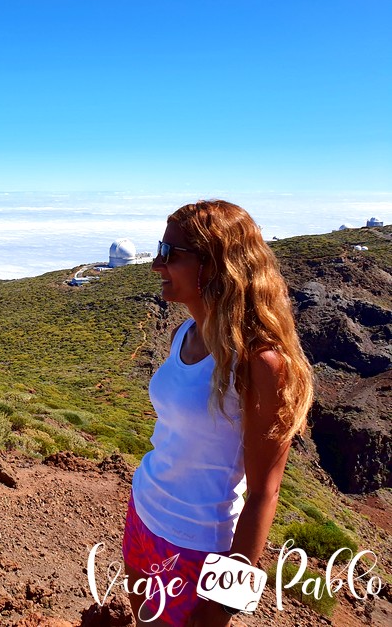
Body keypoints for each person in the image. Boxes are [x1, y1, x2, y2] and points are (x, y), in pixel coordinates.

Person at [121, 200, 314, 626]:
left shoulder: (260, 363)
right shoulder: (183, 333)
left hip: (197, 546)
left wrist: (223, 604)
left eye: (170, 254)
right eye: (159, 249)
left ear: (215, 265)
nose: (156, 264)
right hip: (143, 513)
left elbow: (265, 494)